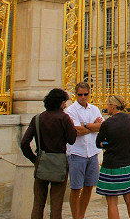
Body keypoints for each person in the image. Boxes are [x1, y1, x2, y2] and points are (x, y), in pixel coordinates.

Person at [21, 88, 78, 219]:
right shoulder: (64, 118)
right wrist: (71, 126)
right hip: (59, 162)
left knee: (38, 204)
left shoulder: (37, 118)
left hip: (42, 161)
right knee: (56, 205)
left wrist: (34, 159)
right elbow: (72, 139)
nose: (66, 105)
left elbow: (24, 143)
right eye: (65, 102)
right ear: (60, 103)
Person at [95, 95, 130, 218]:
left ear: (113, 106)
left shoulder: (107, 123)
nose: (106, 107)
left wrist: (105, 143)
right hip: (127, 163)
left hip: (112, 165)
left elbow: (98, 142)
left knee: (112, 202)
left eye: (108, 105)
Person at [65, 82, 104, 219]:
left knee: (89, 186)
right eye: (80, 94)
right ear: (75, 95)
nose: (82, 97)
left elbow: (102, 127)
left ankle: (81, 215)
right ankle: (76, 216)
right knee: (75, 188)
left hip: (92, 152)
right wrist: (93, 125)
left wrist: (86, 125)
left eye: (85, 94)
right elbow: (76, 130)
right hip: (77, 152)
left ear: (89, 94)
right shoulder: (71, 110)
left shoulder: (94, 109)